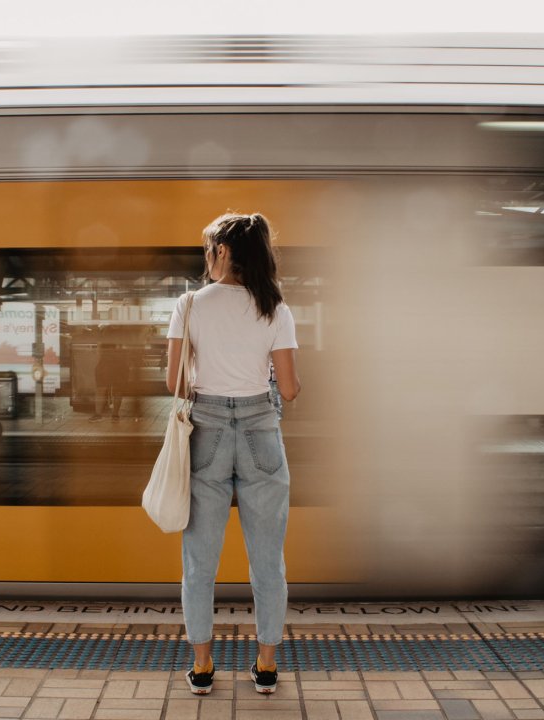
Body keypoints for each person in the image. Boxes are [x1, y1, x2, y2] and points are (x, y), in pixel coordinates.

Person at [166, 212, 301, 696]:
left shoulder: (188, 304)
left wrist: (211, 380)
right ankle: (266, 667)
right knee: (268, 560)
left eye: (208, 248)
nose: (206, 257)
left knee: (199, 561)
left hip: (207, 433)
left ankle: (202, 668)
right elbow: (288, 390)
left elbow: (174, 383)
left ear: (222, 251)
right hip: (261, 432)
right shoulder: (275, 308)